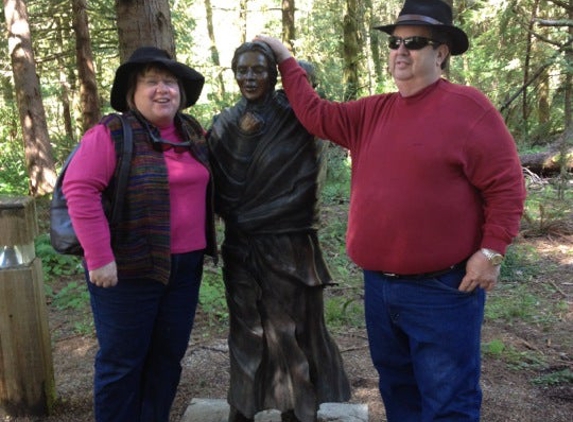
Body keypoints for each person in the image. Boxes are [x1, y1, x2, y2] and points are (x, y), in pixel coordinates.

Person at [256, 0, 527, 420]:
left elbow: (506, 185)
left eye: (414, 43)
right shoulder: (372, 111)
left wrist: (491, 252)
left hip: (444, 290)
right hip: (380, 288)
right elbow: (315, 114)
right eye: (395, 42)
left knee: (447, 401)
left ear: (441, 53)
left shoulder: (469, 109)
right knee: (399, 392)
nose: (400, 51)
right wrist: (286, 58)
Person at [62, 46, 216, 422]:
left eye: (170, 82)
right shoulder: (112, 133)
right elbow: (80, 190)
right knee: (122, 364)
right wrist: (99, 257)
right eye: (151, 82)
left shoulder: (193, 132)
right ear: (132, 92)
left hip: (184, 270)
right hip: (126, 272)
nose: (162, 90)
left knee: (167, 359)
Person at [207, 41, 351, 422]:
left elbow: (306, 187)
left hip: (288, 246)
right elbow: (216, 188)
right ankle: (244, 405)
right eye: (243, 70)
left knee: (290, 330)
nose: (250, 77)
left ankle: (298, 409)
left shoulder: (297, 119)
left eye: (258, 70)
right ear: (233, 73)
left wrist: (253, 214)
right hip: (241, 248)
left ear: (274, 75)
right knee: (246, 331)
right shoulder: (223, 124)